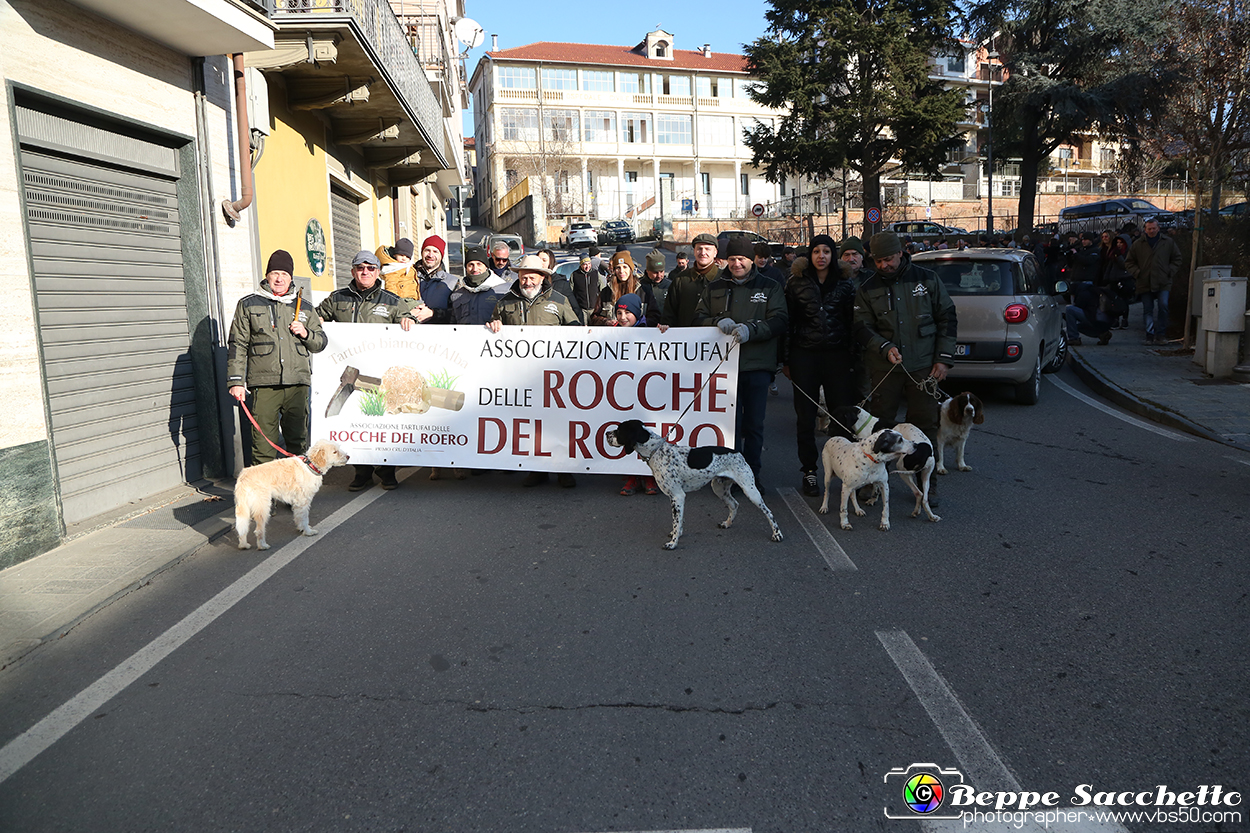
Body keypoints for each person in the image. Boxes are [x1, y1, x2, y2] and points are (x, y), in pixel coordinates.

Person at [853, 232, 957, 503]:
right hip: (884, 367)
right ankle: (872, 481)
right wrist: (883, 346)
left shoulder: (927, 279)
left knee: (923, 426)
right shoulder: (867, 287)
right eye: (877, 261)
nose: (883, 265)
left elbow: (947, 317)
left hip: (923, 367)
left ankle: (928, 484)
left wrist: (944, 359)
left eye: (888, 259)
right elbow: (861, 326)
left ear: (900, 253)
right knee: (878, 427)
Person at [317, 250, 421, 491]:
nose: (365, 272)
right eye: (360, 268)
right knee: (353, 421)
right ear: (353, 271)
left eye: (371, 268)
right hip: (348, 372)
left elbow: (407, 319)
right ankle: (361, 472)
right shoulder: (337, 299)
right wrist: (317, 320)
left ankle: (387, 471)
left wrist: (409, 321)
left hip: (379, 373)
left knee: (382, 421)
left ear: (378, 272)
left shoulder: (391, 300)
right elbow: (316, 317)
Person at [693, 236, 788, 489]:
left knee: (754, 425)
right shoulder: (715, 286)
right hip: (724, 368)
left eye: (742, 259)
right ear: (726, 260)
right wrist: (715, 323)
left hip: (757, 366)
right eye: (733, 259)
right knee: (728, 425)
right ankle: (730, 474)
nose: (737, 264)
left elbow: (780, 320)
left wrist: (752, 329)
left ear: (751, 260)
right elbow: (698, 317)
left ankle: (752, 475)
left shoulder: (769, 286)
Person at [487, 255, 581, 487]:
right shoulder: (505, 303)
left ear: (542, 277)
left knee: (558, 423)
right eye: (523, 277)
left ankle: (564, 471)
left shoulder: (559, 300)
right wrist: (494, 326)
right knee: (529, 425)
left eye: (531, 277)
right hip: (521, 378)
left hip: (554, 377)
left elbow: (575, 330)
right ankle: (536, 470)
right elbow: (492, 328)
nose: (527, 282)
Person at [227, 250, 327, 466]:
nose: (279, 278)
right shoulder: (248, 304)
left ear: (291, 277)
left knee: (298, 444)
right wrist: (236, 381)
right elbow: (238, 344)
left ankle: (297, 497)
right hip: (264, 385)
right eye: (274, 273)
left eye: (284, 273)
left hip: (297, 385)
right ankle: (263, 498)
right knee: (263, 447)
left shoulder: (306, 307)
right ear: (267, 276)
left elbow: (321, 342)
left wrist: (306, 333)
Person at [783, 234, 860, 496]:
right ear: (810, 254)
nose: (821, 256)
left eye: (827, 251)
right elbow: (788, 323)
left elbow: (853, 323)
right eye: (816, 251)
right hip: (804, 354)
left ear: (833, 255)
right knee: (805, 416)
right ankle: (809, 471)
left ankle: (845, 466)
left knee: (843, 414)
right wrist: (786, 360)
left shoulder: (846, 284)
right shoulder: (796, 283)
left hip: (837, 355)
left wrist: (853, 356)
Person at [612, 293, 660, 497]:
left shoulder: (649, 331)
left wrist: (664, 332)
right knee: (627, 435)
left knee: (645, 435)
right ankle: (631, 477)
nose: (623, 317)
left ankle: (649, 477)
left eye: (628, 313)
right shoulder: (611, 333)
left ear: (637, 313)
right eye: (619, 312)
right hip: (622, 391)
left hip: (646, 391)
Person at [1125, 219, 1183, 345]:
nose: (1151, 231)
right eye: (1149, 229)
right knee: (1148, 309)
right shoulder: (1138, 244)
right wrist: (1137, 273)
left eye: (1154, 228)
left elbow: (1177, 258)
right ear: (1145, 230)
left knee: (1163, 306)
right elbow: (1129, 262)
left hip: (1163, 281)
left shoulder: (1167, 242)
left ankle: (1161, 334)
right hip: (1144, 281)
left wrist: (1169, 271)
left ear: (1158, 228)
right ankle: (1149, 335)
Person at [660, 233, 720, 330]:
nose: (703, 252)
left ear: (715, 252)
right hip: (686, 339)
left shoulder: (723, 279)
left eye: (707, 249)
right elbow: (669, 313)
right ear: (694, 251)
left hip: (717, 340)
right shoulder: (680, 279)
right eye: (699, 249)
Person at [590, 251, 659, 326]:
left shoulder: (644, 291)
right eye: (618, 268)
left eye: (625, 267)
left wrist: (640, 324)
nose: (621, 271)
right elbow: (594, 318)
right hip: (614, 335)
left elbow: (655, 317)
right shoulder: (606, 291)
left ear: (631, 269)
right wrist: (605, 321)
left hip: (639, 335)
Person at [415, 235, 452, 324]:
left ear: (441, 255)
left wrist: (433, 313)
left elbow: (457, 313)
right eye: (427, 250)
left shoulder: (452, 282)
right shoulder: (408, 276)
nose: (430, 255)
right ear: (422, 252)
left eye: (435, 251)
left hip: (439, 334)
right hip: (409, 332)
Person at [568, 254, 601, 323]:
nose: (587, 266)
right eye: (585, 264)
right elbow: (570, 292)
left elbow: (602, 289)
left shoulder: (595, 273)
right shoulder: (575, 275)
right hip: (581, 309)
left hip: (594, 308)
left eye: (589, 264)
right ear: (581, 265)